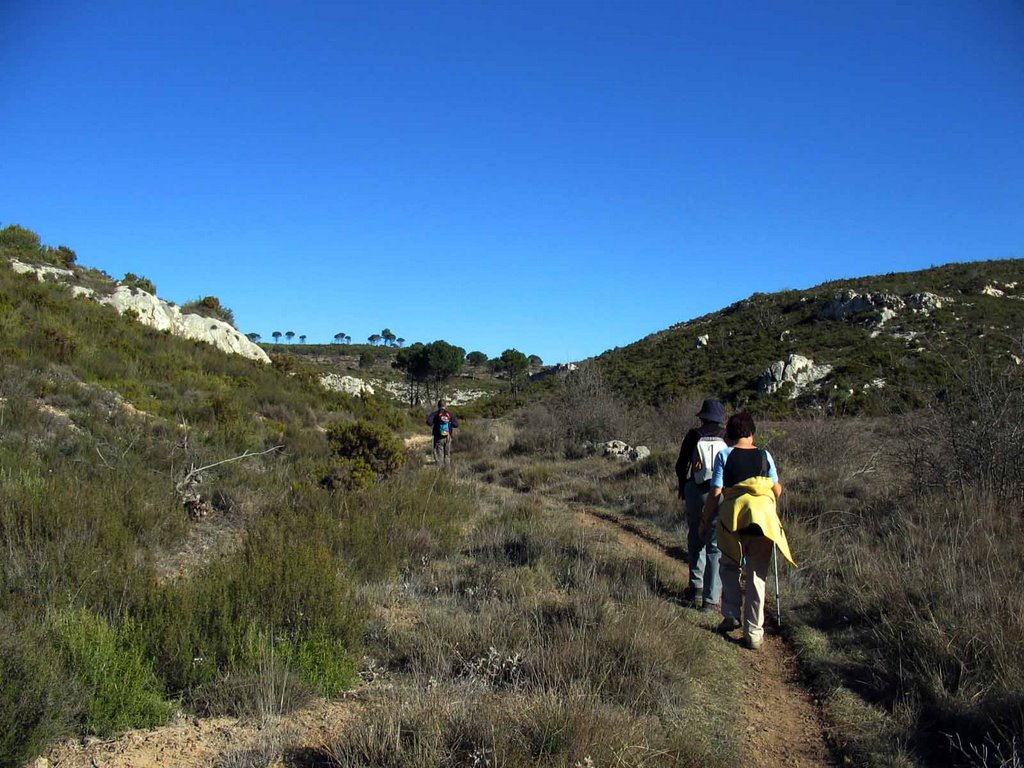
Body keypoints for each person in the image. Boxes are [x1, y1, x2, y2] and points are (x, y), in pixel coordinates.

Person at [702, 412, 794, 651]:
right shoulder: (765, 456)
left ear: (730, 435)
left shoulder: (725, 455)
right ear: (752, 433)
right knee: (757, 577)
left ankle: (731, 613)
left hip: (734, 519)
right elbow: (777, 490)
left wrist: (705, 518)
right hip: (763, 520)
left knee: (729, 565)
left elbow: (716, 492)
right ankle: (753, 633)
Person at [674, 398, 728, 612]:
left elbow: (681, 465)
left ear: (702, 416)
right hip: (721, 492)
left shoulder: (693, 435)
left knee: (696, 538)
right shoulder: (727, 436)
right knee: (716, 544)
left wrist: (683, 487)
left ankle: (695, 588)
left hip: (696, 491)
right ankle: (711, 600)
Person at [426, 398, 459, 469]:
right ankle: (447, 472)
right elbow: (456, 424)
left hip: (438, 437)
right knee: (447, 455)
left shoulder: (435, 414)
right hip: (448, 437)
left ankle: (440, 473)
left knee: (439, 455)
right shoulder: (450, 414)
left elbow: (429, 422)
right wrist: (449, 423)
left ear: (438, 406)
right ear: (446, 405)